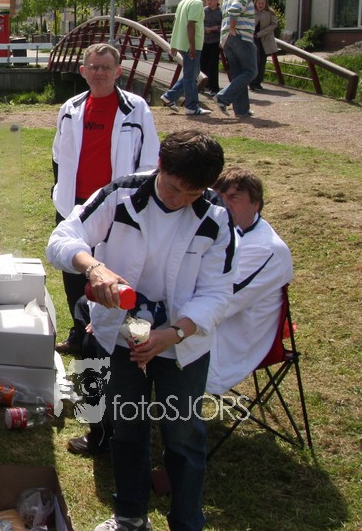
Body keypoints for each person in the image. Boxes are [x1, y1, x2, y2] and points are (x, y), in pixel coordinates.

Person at [47, 130, 234, 531]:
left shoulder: (216, 216)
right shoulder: (121, 194)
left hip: (181, 343)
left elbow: (218, 293)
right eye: (173, 188)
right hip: (121, 337)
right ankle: (130, 516)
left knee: (183, 435)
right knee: (128, 427)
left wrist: (174, 334)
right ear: (160, 166)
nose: (179, 200)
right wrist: (93, 267)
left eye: (192, 194)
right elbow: (62, 238)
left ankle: (186, 522)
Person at [52, 42, 159, 358]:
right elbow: (58, 154)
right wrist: (60, 192)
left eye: (106, 68)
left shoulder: (136, 108)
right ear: (83, 71)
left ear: (118, 72)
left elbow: (149, 161)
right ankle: (80, 334)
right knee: (75, 273)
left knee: (118, 273)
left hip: (118, 208)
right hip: (75, 205)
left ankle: (123, 341)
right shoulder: (70, 108)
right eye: (94, 67)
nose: (99, 73)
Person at [206, 167, 293, 396]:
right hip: (212, 326)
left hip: (230, 345)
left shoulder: (265, 249)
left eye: (234, 197)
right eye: (219, 196)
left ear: (257, 204)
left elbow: (220, 303)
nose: (223, 204)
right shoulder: (225, 230)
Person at [160, 0, 212, 116]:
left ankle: (170, 96)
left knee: (192, 73)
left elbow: (177, 22)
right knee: (191, 75)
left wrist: (174, 43)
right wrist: (192, 46)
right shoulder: (197, 3)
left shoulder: (184, 1)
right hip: (191, 44)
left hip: (182, 43)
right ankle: (191, 106)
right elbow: (191, 24)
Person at [215, 0, 257, 119]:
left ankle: (241, 110)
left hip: (226, 38)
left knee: (239, 74)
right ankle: (223, 97)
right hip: (240, 36)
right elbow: (235, 10)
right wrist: (233, 28)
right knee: (251, 71)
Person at [251, 0, 280, 91]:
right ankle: (252, 83)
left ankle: (258, 82)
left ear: (266, 4)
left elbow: (274, 24)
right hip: (253, 38)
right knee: (255, 60)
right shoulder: (251, 12)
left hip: (265, 38)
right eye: (259, 3)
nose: (261, 5)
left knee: (262, 61)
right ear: (256, 3)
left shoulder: (270, 12)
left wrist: (261, 33)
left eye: (263, 3)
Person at [200, 0, 223, 97]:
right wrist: (205, 29)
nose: (209, 2)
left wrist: (216, 28)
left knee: (213, 64)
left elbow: (224, 25)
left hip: (215, 41)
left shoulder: (221, 12)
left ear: (217, 0)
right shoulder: (203, 11)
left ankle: (214, 87)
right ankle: (201, 85)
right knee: (202, 63)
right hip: (204, 40)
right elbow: (198, 23)